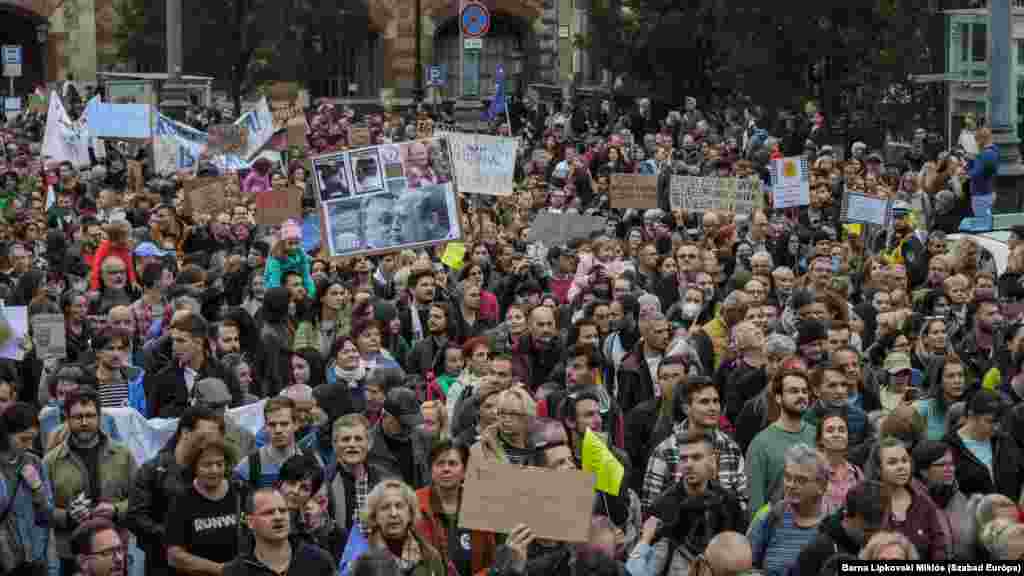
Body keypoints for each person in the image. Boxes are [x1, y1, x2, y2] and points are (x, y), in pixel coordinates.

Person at [45, 387, 137, 576]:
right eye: (78, 417)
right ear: (66, 417)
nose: (85, 422)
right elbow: (41, 510)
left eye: (90, 416)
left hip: (115, 552)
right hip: (71, 555)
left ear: (99, 416)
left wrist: (116, 510)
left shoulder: (122, 455)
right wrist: (68, 516)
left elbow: (140, 501)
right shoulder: (51, 461)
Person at [127, 405, 226, 576]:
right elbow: (136, 518)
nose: (211, 443)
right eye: (205, 437)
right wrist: (177, 536)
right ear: (185, 432)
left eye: (215, 438)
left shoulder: (216, 471)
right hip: (163, 566)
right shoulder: (152, 471)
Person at [643, 429, 748, 575]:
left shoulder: (729, 502)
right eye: (683, 458)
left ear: (712, 460)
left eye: (696, 457)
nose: (688, 464)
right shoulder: (661, 506)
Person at [747, 444, 829, 576]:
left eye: (801, 480)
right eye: (787, 477)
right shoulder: (770, 516)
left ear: (821, 486)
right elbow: (746, 566)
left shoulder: (832, 525)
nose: (791, 485)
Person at [166, 438, 243, 576]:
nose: (214, 470)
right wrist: (220, 569)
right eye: (207, 465)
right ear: (194, 466)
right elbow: (174, 556)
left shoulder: (240, 492)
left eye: (219, 464)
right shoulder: (181, 501)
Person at [864, 437, 947, 560]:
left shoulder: (924, 504)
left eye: (904, 460)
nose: (901, 467)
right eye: (892, 462)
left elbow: (939, 547)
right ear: (878, 470)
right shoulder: (867, 504)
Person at [746, 369, 817, 513]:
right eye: (794, 391)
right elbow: (755, 503)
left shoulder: (817, 435)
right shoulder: (761, 444)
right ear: (778, 397)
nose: (801, 396)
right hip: (778, 527)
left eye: (804, 391)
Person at [223, 488, 336, 576]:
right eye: (268, 512)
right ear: (250, 522)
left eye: (283, 511)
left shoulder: (319, 560)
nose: (278, 517)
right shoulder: (235, 572)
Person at [0, 402, 52, 575]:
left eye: (32, 439)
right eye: (24, 439)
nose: (29, 445)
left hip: (32, 556)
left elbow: (46, 515)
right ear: (6, 434)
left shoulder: (34, 462)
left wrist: (38, 489)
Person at [794, 481, 886, 576]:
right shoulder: (816, 551)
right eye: (867, 530)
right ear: (847, 515)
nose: (873, 538)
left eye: (879, 531)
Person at [946, 389, 1022, 499]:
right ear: (971, 416)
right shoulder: (949, 447)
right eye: (990, 421)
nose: (996, 427)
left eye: (999, 421)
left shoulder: (1005, 440)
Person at [361, 479, 446, 575]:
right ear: (374, 516)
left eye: (399, 506)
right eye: (385, 507)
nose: (393, 514)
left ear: (410, 513)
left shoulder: (430, 556)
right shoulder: (361, 556)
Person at [235, 397, 303, 490]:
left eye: (284, 424)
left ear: (296, 424)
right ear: (265, 427)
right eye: (272, 425)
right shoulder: (248, 466)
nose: (278, 430)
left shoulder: (312, 461)